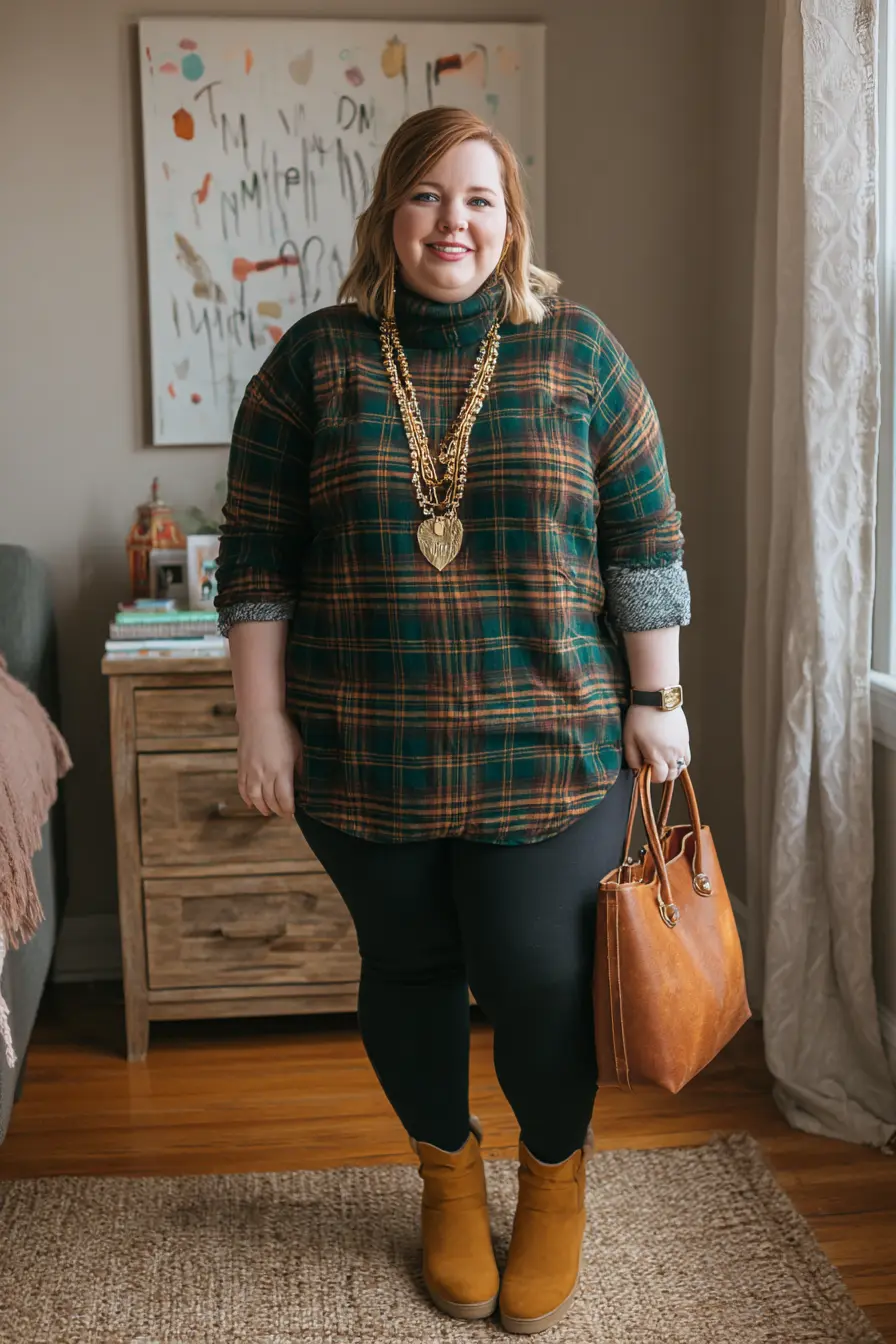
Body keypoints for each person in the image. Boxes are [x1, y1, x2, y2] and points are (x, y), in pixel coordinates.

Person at [215, 106, 691, 1336]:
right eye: (427, 197)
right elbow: (259, 557)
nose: (453, 223)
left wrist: (660, 696)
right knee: (411, 974)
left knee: (538, 981)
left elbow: (643, 539)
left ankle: (550, 1178)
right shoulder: (313, 362)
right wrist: (258, 720)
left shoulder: (577, 354)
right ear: (387, 216)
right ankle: (442, 1172)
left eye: (478, 199)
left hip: (552, 751)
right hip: (366, 753)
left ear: (510, 218)